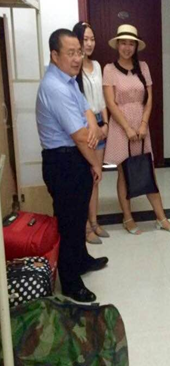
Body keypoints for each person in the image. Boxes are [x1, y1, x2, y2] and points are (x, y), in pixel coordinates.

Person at [36, 29, 109, 303]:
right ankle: (70, 282)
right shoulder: (54, 87)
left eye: (79, 52)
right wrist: (96, 164)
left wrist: (93, 128)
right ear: (55, 55)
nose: (77, 58)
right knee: (69, 223)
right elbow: (79, 136)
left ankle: (81, 259)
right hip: (63, 162)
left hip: (74, 157)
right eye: (71, 53)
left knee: (78, 218)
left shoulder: (68, 81)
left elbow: (87, 109)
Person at [103, 24, 170, 234]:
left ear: (136, 46)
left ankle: (161, 218)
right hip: (121, 127)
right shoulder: (109, 69)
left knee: (147, 169)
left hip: (141, 125)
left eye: (131, 44)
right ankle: (127, 218)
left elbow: (149, 98)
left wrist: (143, 124)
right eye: (123, 43)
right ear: (117, 45)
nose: (127, 47)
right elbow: (110, 103)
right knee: (123, 172)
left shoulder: (143, 67)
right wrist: (127, 127)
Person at [72, 21, 110, 245]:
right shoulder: (73, 69)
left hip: (100, 122)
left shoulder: (96, 65)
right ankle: (85, 226)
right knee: (86, 178)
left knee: (96, 178)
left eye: (92, 39)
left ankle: (95, 222)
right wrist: (93, 128)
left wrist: (106, 124)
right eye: (85, 39)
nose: (89, 43)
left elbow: (102, 99)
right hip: (83, 126)